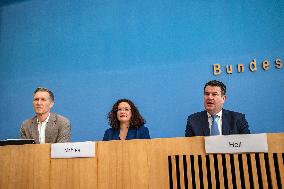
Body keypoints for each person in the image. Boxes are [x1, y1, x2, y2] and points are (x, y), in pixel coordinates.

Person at [185, 80, 250, 137]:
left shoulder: (238, 119)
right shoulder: (193, 120)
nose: (209, 98)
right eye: (207, 94)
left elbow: (247, 145)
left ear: (223, 99)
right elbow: (189, 148)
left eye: (214, 94)